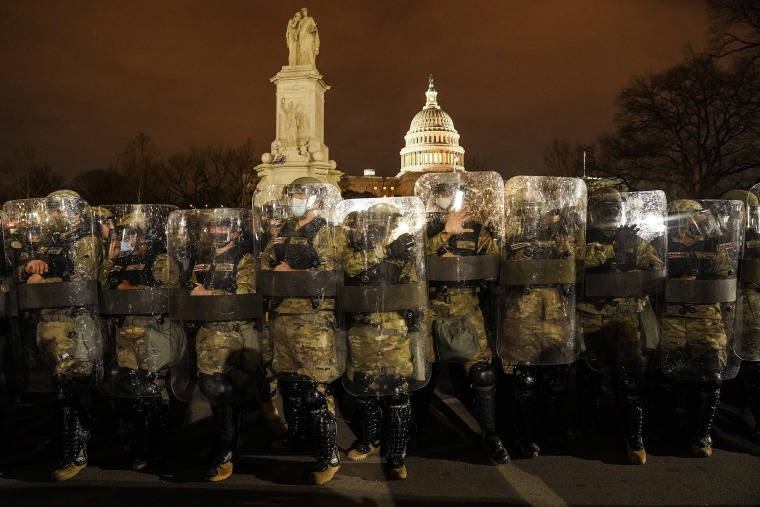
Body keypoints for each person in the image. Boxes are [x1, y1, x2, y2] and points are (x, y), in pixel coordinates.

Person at [415, 173, 509, 464]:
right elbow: (415, 262)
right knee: (424, 373)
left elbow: (492, 267)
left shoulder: (479, 231)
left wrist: (458, 263)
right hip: (430, 309)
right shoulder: (425, 229)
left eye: (450, 191)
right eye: (440, 190)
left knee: (482, 373)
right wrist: (443, 236)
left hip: (466, 309)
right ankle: (415, 427)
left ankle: (491, 433)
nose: (444, 195)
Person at [8, 190, 101, 481]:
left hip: (74, 324)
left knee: (70, 386)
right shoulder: (52, 243)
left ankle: (74, 451)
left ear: (73, 212)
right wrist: (29, 267)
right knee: (61, 387)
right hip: (49, 324)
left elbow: (84, 282)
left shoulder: (86, 240)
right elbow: (25, 269)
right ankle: (67, 441)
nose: (52, 217)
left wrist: (45, 280)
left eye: (57, 211)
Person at [260, 177, 343, 485]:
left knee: (315, 390)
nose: (293, 200)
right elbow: (264, 264)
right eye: (292, 195)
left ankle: (327, 455)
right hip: (283, 317)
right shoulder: (283, 233)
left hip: (312, 321)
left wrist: (291, 273)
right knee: (290, 386)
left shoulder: (326, 231)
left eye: (298, 195)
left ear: (315, 201)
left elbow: (331, 276)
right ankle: (297, 438)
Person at [577, 187, 665, 464]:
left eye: (613, 209)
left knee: (628, 379)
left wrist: (631, 268)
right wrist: (612, 250)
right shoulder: (582, 239)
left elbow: (657, 271)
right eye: (604, 209)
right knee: (588, 376)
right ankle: (586, 430)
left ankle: (634, 437)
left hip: (625, 316)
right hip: (589, 314)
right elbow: (578, 261)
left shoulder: (635, 242)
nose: (609, 214)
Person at [340, 202, 427, 479]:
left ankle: (397, 454)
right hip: (363, 332)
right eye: (375, 221)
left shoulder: (405, 253)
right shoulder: (356, 251)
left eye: (385, 221)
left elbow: (415, 287)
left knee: (397, 393)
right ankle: (370, 440)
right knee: (365, 391)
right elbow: (348, 268)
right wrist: (383, 251)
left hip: (394, 332)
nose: (380, 226)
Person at [499, 177, 585, 458]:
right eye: (526, 209)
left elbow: (577, 262)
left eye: (538, 208)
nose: (532, 214)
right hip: (522, 314)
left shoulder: (559, 234)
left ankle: (553, 430)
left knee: (557, 375)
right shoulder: (507, 236)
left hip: (555, 313)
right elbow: (493, 271)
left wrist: (564, 230)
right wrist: (516, 262)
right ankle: (526, 434)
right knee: (525, 378)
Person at [175, 208, 260, 481]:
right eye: (211, 228)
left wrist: (208, 293)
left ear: (234, 232)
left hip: (231, 336)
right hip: (205, 336)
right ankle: (229, 443)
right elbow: (190, 287)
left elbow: (245, 295)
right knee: (214, 394)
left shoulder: (244, 259)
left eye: (221, 228)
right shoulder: (203, 259)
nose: (215, 233)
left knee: (226, 393)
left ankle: (226, 451)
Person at [658, 199, 740, 457]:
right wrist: (673, 280)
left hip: (707, 318)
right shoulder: (663, 245)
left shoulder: (714, 245)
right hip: (673, 318)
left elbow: (727, 274)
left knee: (710, 378)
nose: (684, 226)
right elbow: (649, 277)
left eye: (689, 219)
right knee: (672, 377)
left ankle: (701, 433)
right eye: (679, 220)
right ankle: (669, 429)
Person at [99, 207, 175, 470]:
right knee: (131, 392)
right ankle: (140, 439)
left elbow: (167, 292)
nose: (123, 239)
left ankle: (155, 447)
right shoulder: (120, 260)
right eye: (120, 235)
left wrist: (129, 289)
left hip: (151, 331)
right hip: (125, 332)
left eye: (128, 234)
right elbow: (103, 285)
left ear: (144, 236)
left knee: (153, 389)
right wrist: (111, 258)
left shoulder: (160, 259)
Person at [721, 188, 760, 443]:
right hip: (726, 308)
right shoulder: (717, 238)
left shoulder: (755, 238)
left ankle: (750, 410)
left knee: (752, 365)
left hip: (751, 311)